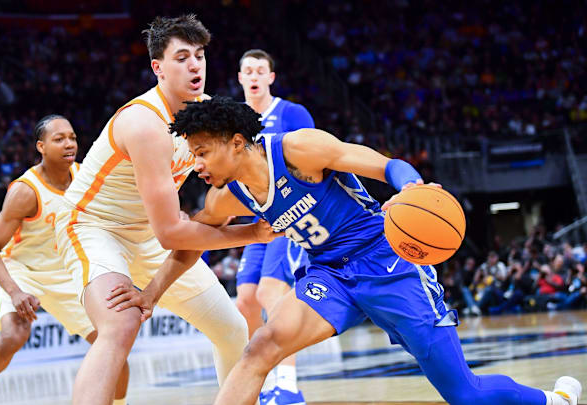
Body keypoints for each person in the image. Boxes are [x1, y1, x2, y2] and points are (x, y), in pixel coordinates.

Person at [167, 97, 583, 405]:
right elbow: (190, 240)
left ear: (237, 142)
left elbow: (387, 166)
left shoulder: (298, 150)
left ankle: (553, 401)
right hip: (330, 275)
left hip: (387, 259)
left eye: (201, 152)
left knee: (464, 394)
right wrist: (149, 294)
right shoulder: (227, 198)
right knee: (260, 348)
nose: (196, 165)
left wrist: (411, 188)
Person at [54, 15, 278, 405]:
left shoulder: (207, 114)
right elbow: (172, 234)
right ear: (158, 67)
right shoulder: (143, 123)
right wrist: (252, 232)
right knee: (121, 323)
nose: (195, 66)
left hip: (148, 231)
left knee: (232, 329)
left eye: (199, 56)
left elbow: (254, 168)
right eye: (181, 58)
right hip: (94, 227)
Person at [0, 115, 130, 405]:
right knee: (14, 336)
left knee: (113, 343)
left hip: (65, 273)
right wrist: (14, 291)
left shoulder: (85, 176)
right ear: (41, 146)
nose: (68, 143)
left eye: (72, 137)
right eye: (58, 139)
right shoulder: (26, 190)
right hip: (22, 272)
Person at [235, 48, 314, 403]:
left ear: (270, 77)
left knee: (271, 292)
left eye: (259, 70)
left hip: (292, 215)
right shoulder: (234, 121)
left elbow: (313, 160)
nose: (253, 76)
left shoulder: (291, 112)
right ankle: (265, 380)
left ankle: (287, 383)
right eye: (247, 70)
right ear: (239, 79)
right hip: (258, 219)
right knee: (246, 300)